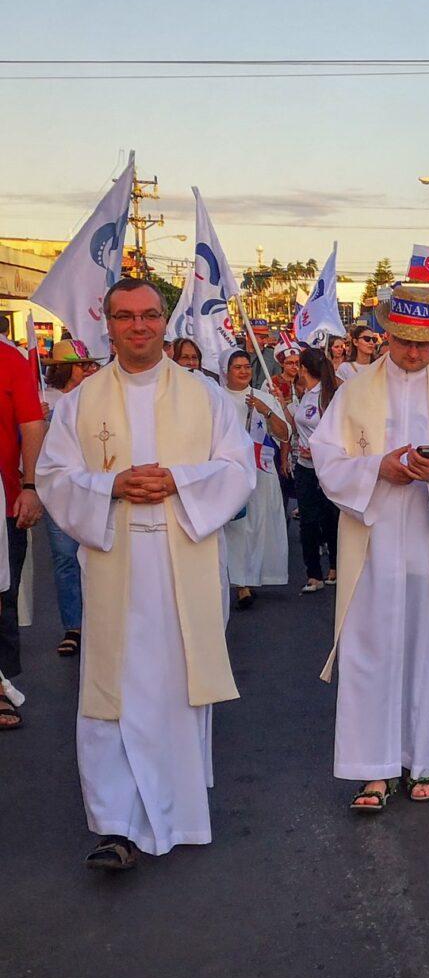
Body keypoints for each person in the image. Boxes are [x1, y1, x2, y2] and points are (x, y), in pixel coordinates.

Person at [36, 277, 255, 869]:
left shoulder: (202, 396)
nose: (139, 326)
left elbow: (239, 469)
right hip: (114, 560)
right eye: (126, 316)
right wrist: (112, 485)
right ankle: (115, 824)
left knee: (178, 684)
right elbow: (55, 478)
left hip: (183, 556)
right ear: (107, 324)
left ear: (166, 321)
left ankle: (179, 812)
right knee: (110, 690)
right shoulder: (82, 403)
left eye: (150, 315)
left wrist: (179, 481)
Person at [311, 285, 429, 812]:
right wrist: (376, 469)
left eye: (424, 344)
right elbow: (325, 458)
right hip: (374, 544)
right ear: (387, 334)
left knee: (428, 651)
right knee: (371, 652)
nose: (414, 353)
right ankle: (373, 770)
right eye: (404, 342)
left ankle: (420, 763)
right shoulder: (354, 392)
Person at [0, 309, 47, 724]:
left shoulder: (10, 360)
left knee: (1, 595)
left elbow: (32, 425)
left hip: (4, 499)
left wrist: (30, 487)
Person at [40, 340, 100, 658]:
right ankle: (73, 626)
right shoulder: (42, 399)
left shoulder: (95, 398)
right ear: (65, 368)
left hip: (93, 487)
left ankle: (101, 621)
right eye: (83, 364)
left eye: (90, 364)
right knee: (66, 559)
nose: (89, 369)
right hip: (59, 491)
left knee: (97, 555)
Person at [220, 348, 290, 608]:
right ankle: (240, 584)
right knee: (237, 528)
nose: (243, 371)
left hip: (262, 472)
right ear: (226, 370)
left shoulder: (263, 397)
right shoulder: (216, 398)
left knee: (259, 525)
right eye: (237, 367)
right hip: (231, 474)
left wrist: (267, 411)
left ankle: (254, 575)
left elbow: (284, 434)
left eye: (246, 367)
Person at [290, 345, 340, 593]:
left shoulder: (329, 395)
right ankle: (313, 574)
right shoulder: (306, 394)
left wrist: (320, 451)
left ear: (303, 368)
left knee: (331, 518)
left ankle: (335, 566)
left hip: (326, 468)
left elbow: (338, 431)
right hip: (305, 468)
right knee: (308, 521)